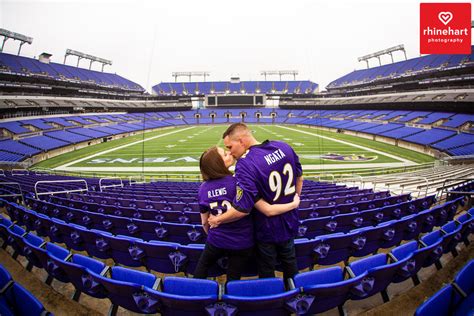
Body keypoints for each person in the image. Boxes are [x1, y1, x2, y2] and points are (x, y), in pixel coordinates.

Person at [208, 123, 303, 281]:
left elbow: (243, 208)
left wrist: (217, 219)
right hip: (289, 220)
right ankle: (294, 296)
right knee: (290, 264)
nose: (230, 152)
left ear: (242, 141)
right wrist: (294, 201)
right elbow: (299, 178)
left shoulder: (245, 163)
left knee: (267, 270)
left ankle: (270, 301)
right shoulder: (283, 146)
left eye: (230, 146)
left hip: (266, 228)